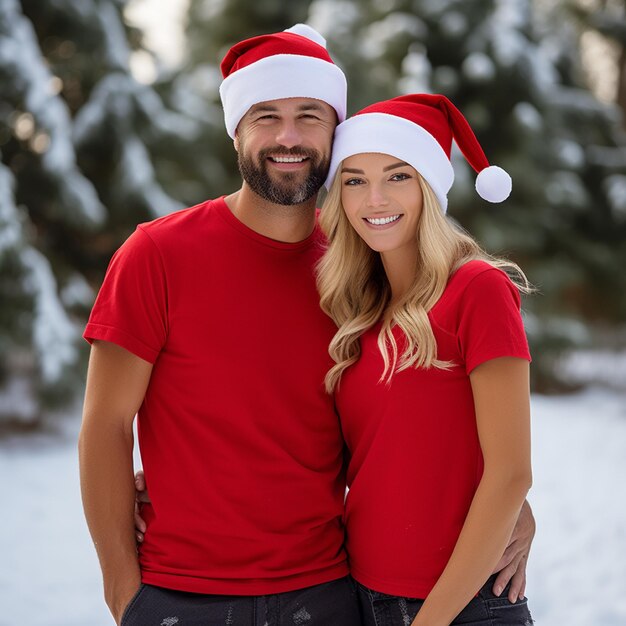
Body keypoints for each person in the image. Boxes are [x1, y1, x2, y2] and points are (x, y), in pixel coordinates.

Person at [79, 22, 533, 626]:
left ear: (333, 134)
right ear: (235, 129)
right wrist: (122, 590)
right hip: (180, 593)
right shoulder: (156, 255)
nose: (288, 136)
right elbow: (105, 425)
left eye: (309, 116)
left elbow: (406, 420)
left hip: (327, 593)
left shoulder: (356, 272)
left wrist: (513, 504)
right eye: (265, 115)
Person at [316, 93, 534, 625]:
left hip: (461, 608)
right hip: (362, 596)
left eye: (397, 176)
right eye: (354, 179)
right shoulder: (359, 309)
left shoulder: (477, 288)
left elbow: (509, 473)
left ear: (429, 188)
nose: (375, 198)